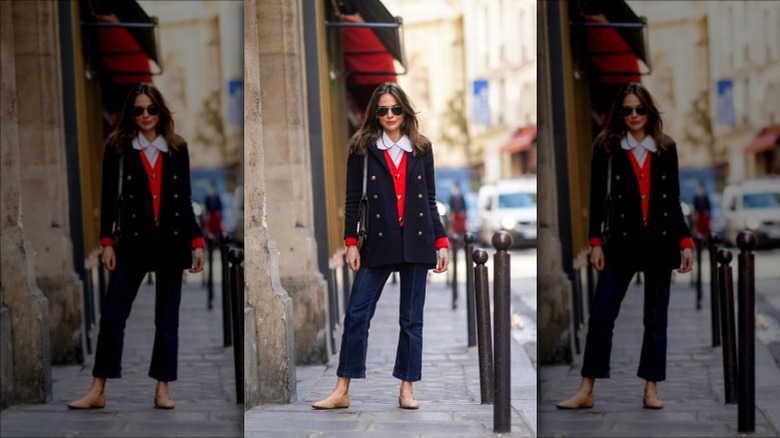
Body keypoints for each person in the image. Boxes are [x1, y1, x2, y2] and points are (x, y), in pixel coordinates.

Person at [311, 82, 449, 410]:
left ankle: (406, 389)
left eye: (395, 109)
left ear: (405, 111)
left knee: (411, 319)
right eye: (383, 110)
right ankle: (342, 389)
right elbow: (351, 198)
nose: (389, 115)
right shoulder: (362, 147)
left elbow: (430, 199)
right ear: (375, 112)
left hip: (417, 242)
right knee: (357, 313)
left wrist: (441, 241)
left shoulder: (422, 148)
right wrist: (350, 242)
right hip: (377, 242)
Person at [556, 82, 693, 410]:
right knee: (602, 314)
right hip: (620, 244)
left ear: (649, 112)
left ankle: (651, 389)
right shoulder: (606, 147)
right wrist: (595, 242)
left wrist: (685, 241)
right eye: (627, 110)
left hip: (660, 244)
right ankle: (586, 389)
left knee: (656, 319)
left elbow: (673, 199)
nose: (634, 115)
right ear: (620, 113)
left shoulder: (666, 148)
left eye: (640, 109)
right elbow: (595, 198)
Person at [68, 83, 205, 410]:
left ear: (161, 111)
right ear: (131, 114)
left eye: (151, 109)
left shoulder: (177, 148)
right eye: (139, 110)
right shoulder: (117, 148)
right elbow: (106, 198)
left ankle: (162, 389)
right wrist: (106, 242)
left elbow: (185, 200)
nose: (145, 115)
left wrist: (196, 241)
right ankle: (97, 389)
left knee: (167, 319)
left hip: (171, 243)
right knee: (113, 314)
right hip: (131, 243)